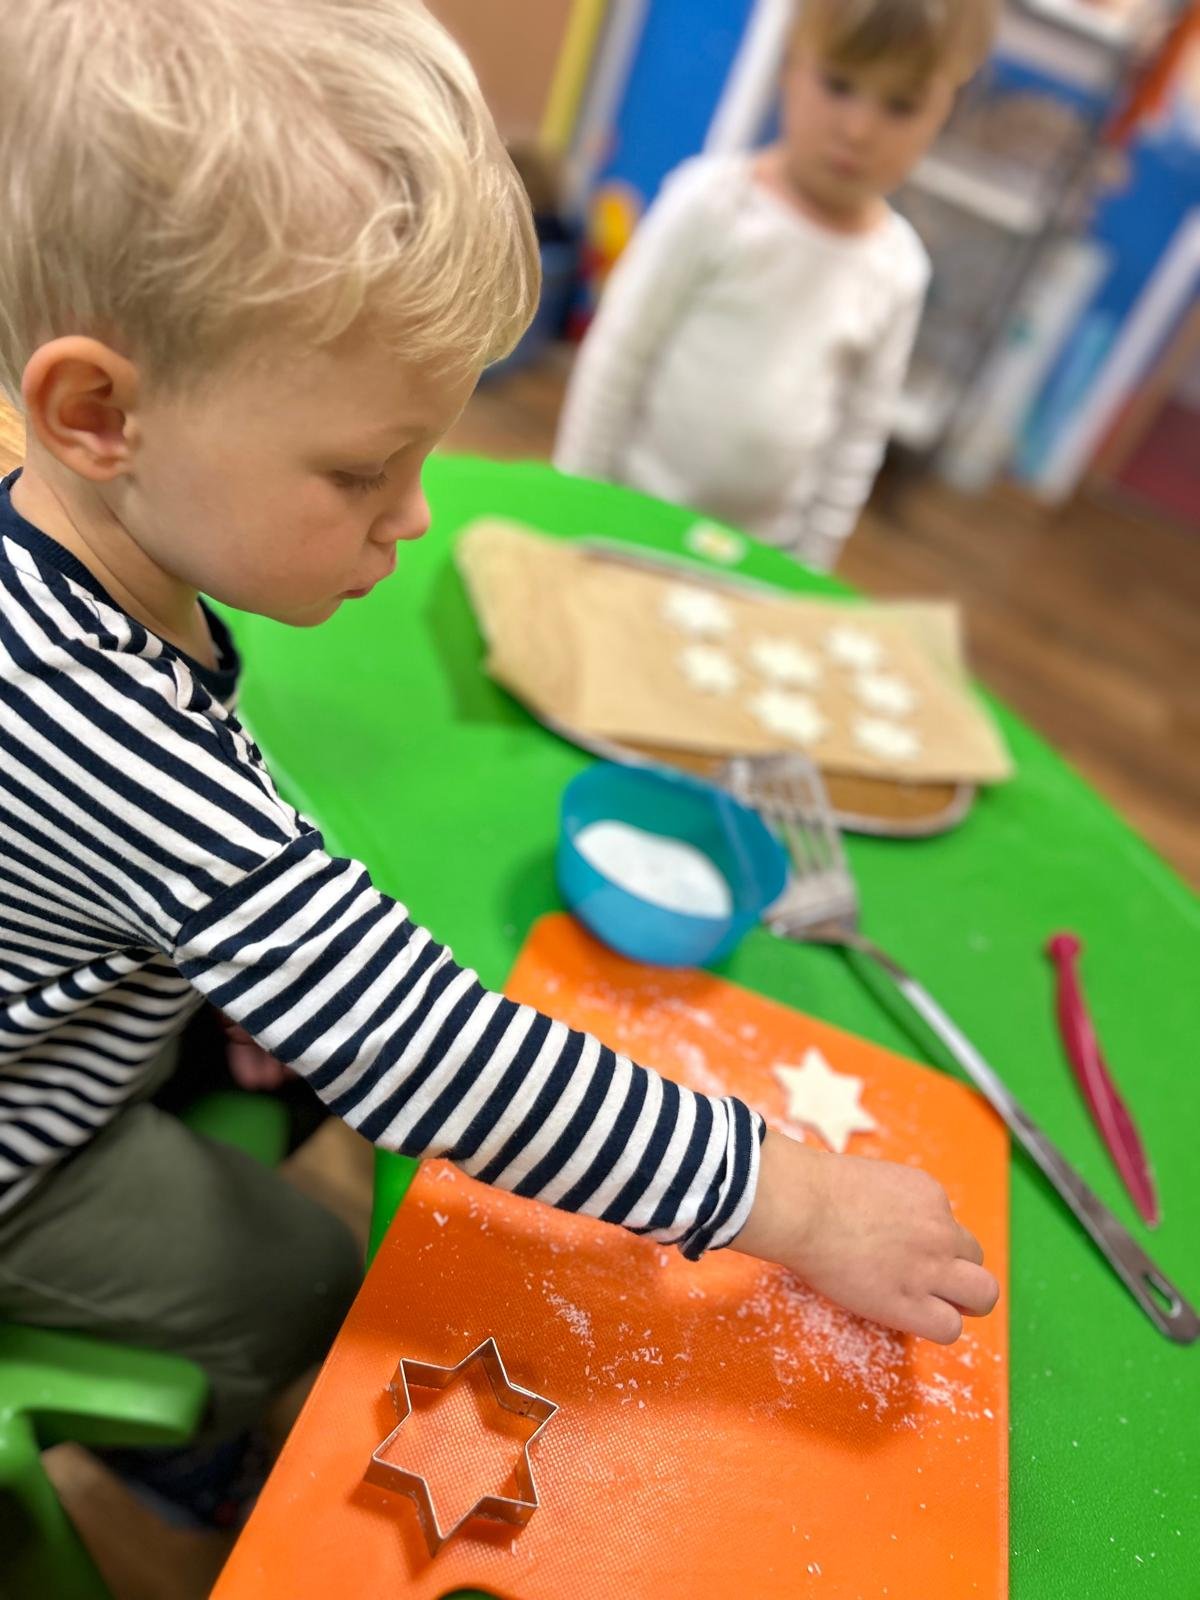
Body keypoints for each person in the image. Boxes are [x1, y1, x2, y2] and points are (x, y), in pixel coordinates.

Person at [0, 0, 997, 1535]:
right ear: (99, 413)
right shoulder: (101, 723)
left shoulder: (78, 540)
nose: (412, 516)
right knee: (308, 1274)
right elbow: (424, 1047)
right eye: (361, 470)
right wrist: (793, 1198)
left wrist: (232, 965)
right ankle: (179, 1462)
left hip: (69, 1003)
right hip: (28, 1147)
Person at [555, 0, 999, 571]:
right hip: (629, 519)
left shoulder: (898, 269)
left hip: (756, 557)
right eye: (838, 84)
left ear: (942, 113)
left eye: (900, 105)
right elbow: (617, 360)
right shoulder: (711, 204)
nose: (858, 130)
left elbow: (856, 441)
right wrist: (577, 507)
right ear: (791, 64)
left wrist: (807, 569)